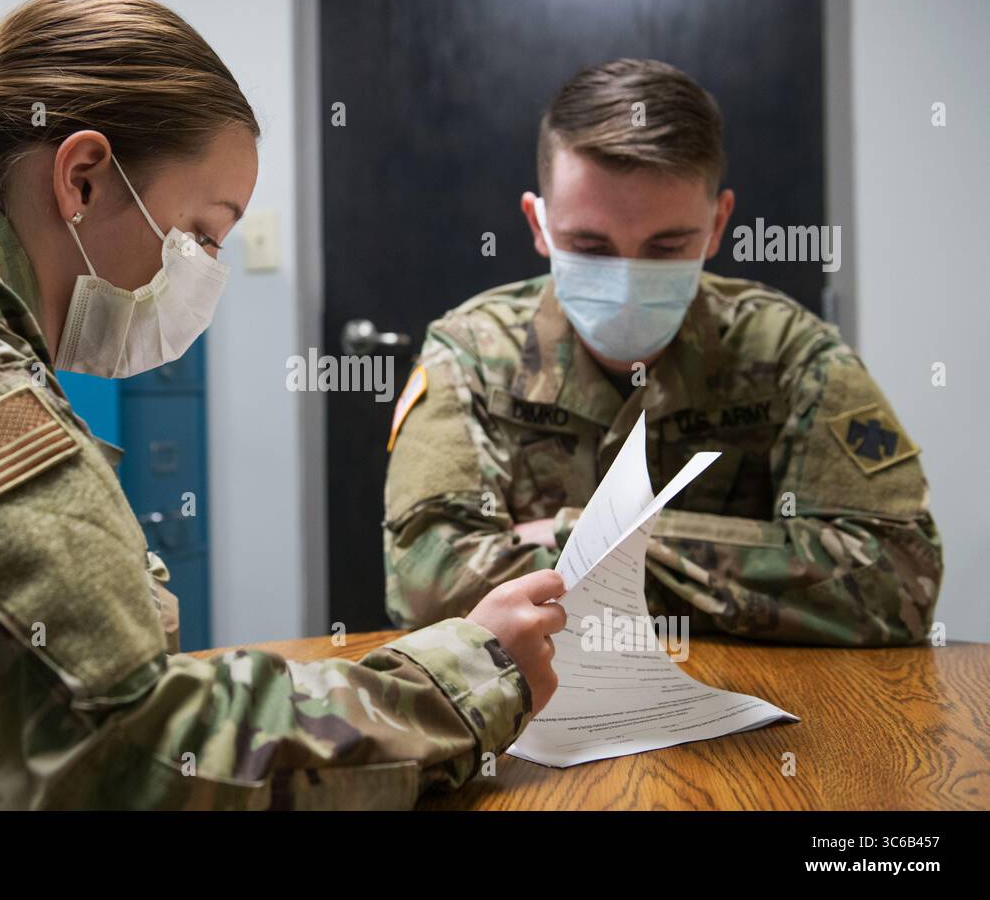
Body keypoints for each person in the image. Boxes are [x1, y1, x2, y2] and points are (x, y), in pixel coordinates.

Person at [0, 0, 567, 810]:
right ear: (82, 178)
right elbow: (122, 756)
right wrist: (465, 675)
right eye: (200, 233)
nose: (205, 274)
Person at [384, 58, 942, 646]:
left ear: (718, 222)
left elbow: (897, 579)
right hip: (536, 718)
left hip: (750, 710)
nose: (627, 279)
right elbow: (425, 581)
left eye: (667, 245)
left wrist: (578, 537)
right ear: (539, 224)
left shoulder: (789, 353)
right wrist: (742, 570)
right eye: (590, 246)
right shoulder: (471, 351)